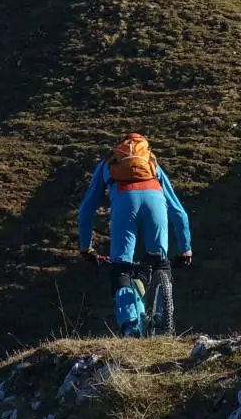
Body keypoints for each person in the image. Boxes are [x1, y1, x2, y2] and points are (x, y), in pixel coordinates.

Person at [78, 133, 193, 333]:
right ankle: (164, 323)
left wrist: (86, 247)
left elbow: (87, 209)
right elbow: (178, 211)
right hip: (155, 202)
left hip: (124, 203)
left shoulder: (108, 163)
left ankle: (131, 326)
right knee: (160, 263)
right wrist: (186, 249)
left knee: (121, 268)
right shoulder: (151, 162)